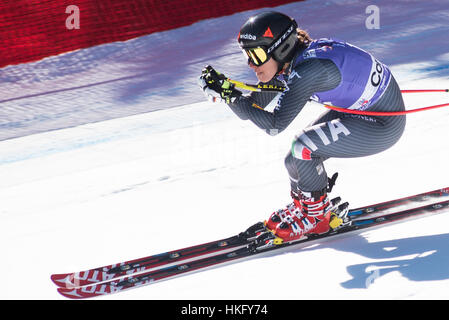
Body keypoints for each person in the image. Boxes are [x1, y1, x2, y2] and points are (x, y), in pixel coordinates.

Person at [198, 11, 406, 242]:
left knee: (304, 148)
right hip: (363, 109)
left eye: (255, 55)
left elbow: (274, 126)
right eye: (247, 55)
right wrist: (226, 92)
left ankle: (318, 218)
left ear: (281, 48)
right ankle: (307, 206)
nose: (250, 64)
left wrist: (230, 97)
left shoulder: (307, 71)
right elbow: (255, 105)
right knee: (293, 160)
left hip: (383, 123)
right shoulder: (289, 62)